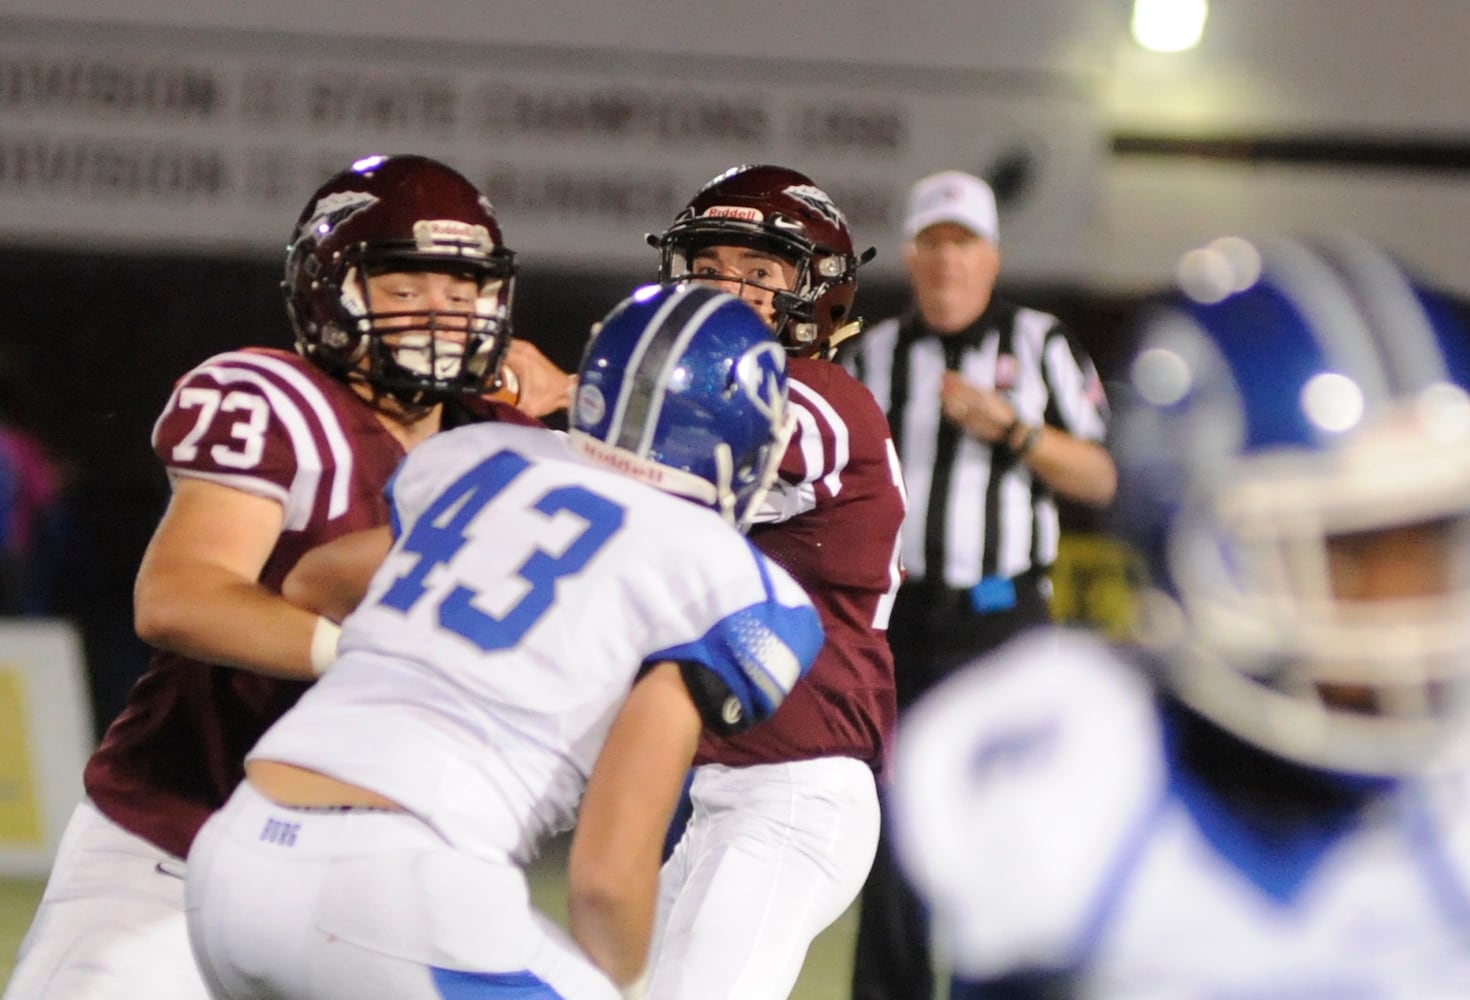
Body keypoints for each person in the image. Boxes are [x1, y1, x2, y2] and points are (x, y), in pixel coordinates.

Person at [181, 282, 823, 999]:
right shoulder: (727, 578)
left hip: (232, 859)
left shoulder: (481, 460)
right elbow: (609, 876)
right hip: (401, 887)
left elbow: (311, 582)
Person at [3, 153, 542, 1000]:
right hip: (183, 834)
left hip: (389, 872)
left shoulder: (515, 443)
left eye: (463, 288)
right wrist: (369, 659)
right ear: (332, 292)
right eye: (405, 289)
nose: (442, 313)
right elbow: (181, 596)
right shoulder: (277, 401)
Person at [890, 235, 1470, 997]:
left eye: (1434, 553)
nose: (1404, 614)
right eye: (1350, 559)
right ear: (1196, 548)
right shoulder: (1082, 794)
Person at [842, 168, 1117, 1000]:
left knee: (1002, 826)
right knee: (892, 834)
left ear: (991, 258)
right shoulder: (873, 354)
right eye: (933, 243)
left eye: (964, 244)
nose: (948, 262)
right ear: (915, 255)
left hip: (1002, 617)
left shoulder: (1042, 347)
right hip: (901, 622)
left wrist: (1017, 432)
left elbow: (1104, 477)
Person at [643, 164, 906, 999]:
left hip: (796, 789)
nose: (729, 292)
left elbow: (741, 437)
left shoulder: (822, 396)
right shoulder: (674, 409)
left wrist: (575, 400)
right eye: (712, 269)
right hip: (724, 788)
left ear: (815, 297)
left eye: (759, 275)